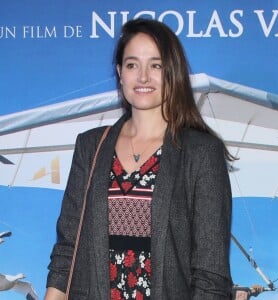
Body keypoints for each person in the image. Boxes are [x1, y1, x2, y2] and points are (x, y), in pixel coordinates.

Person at [45, 18, 233, 299]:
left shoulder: (202, 153)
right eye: (132, 65)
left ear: (173, 72)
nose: (143, 76)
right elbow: (66, 250)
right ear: (120, 72)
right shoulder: (90, 146)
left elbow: (211, 275)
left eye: (155, 65)